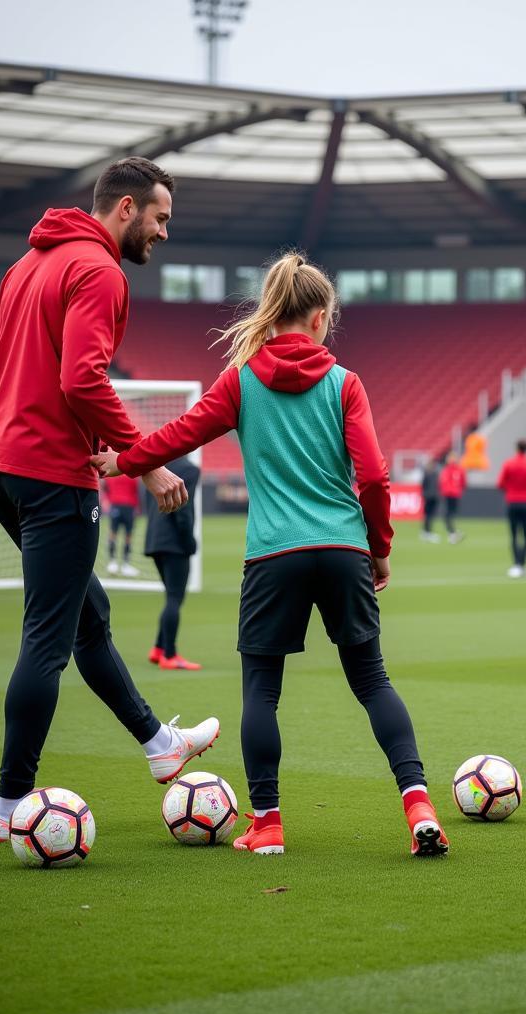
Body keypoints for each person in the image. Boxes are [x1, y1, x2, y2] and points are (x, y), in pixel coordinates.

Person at [92, 252, 449, 858]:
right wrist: (378, 550)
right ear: (316, 319)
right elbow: (375, 479)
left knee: (262, 691)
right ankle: (418, 807)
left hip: (272, 556)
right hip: (343, 550)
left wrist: (123, 461)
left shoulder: (241, 380)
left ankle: (268, 824)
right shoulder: (346, 383)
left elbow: (179, 434)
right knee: (371, 680)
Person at [0, 156, 219, 844]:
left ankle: (158, 743)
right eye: (162, 218)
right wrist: (146, 462)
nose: (165, 233)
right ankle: (8, 805)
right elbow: (82, 380)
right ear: (128, 209)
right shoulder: (100, 270)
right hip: (51, 474)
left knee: (90, 617)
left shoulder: (27, 265)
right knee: (49, 641)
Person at [145, 455, 202, 670]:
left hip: (154, 540)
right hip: (175, 542)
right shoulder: (189, 469)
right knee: (175, 598)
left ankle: (158, 648)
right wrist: (189, 542)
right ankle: (169, 655)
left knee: (171, 595)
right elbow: (183, 510)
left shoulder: (157, 465)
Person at [497, 439, 526, 577]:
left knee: (514, 535)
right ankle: (523, 565)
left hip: (512, 503)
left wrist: (511, 490)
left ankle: (516, 564)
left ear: (517, 448)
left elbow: (500, 483)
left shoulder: (508, 464)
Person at [104, 472, 141, 576]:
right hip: (116, 505)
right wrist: (106, 500)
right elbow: (105, 486)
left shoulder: (133, 473)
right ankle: (112, 562)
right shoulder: (113, 471)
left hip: (129, 506)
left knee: (128, 536)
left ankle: (126, 564)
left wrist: (137, 506)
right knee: (113, 533)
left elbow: (136, 490)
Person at [439, 451, 466, 543]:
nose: (451, 459)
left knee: (451, 514)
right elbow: (442, 482)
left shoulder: (458, 470)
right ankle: (452, 533)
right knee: (447, 514)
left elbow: (463, 482)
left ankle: (453, 533)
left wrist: (458, 490)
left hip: (454, 494)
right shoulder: (446, 470)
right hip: (447, 495)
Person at [419, 456, 440, 542]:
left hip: (429, 496)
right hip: (432, 496)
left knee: (428, 515)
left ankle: (426, 531)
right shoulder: (435, 473)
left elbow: (423, 485)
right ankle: (427, 532)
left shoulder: (428, 473)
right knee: (429, 515)